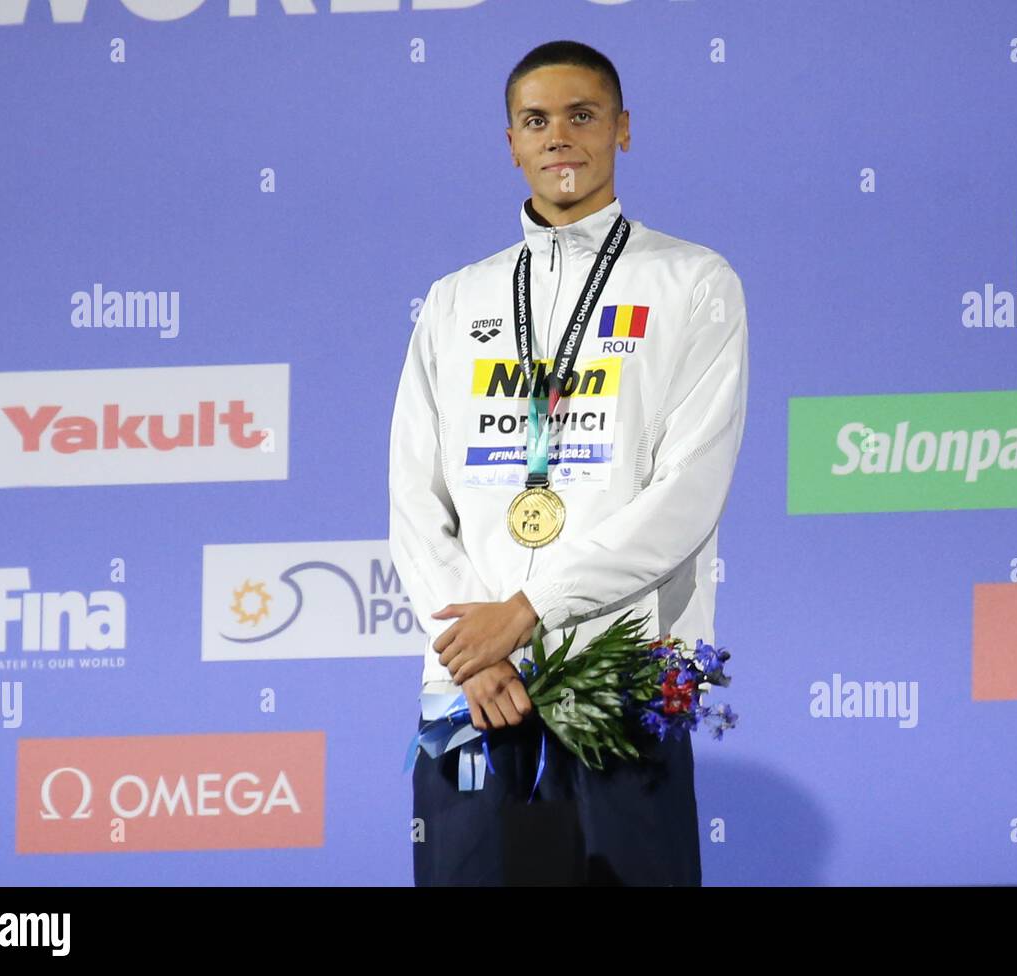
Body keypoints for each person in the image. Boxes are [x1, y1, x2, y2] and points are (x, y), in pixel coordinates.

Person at [388, 39, 748, 886]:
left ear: (623, 129)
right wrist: (474, 652)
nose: (560, 137)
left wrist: (531, 608)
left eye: (582, 116)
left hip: (624, 682)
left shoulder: (693, 282)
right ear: (510, 141)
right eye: (536, 121)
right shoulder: (455, 299)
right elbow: (415, 498)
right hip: (475, 692)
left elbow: (688, 493)